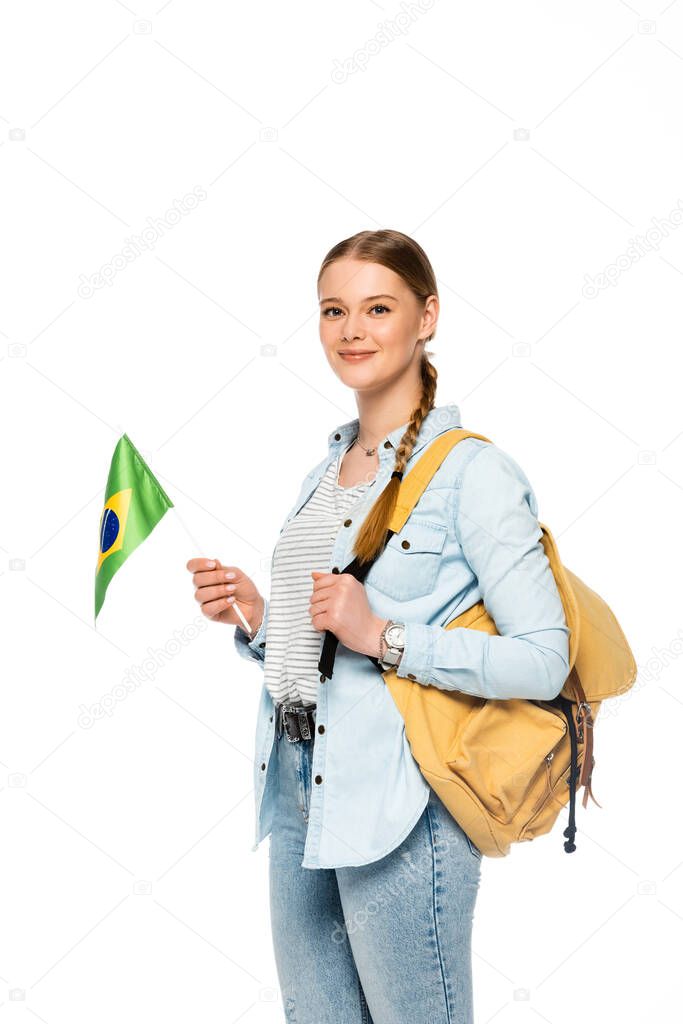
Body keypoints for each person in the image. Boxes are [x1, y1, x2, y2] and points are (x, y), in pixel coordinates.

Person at [186, 228, 570, 1024]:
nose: (351, 330)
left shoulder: (472, 471)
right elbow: (325, 642)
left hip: (399, 802)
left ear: (426, 317)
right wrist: (262, 618)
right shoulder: (325, 470)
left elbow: (542, 659)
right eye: (333, 310)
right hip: (292, 787)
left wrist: (384, 637)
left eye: (377, 308)